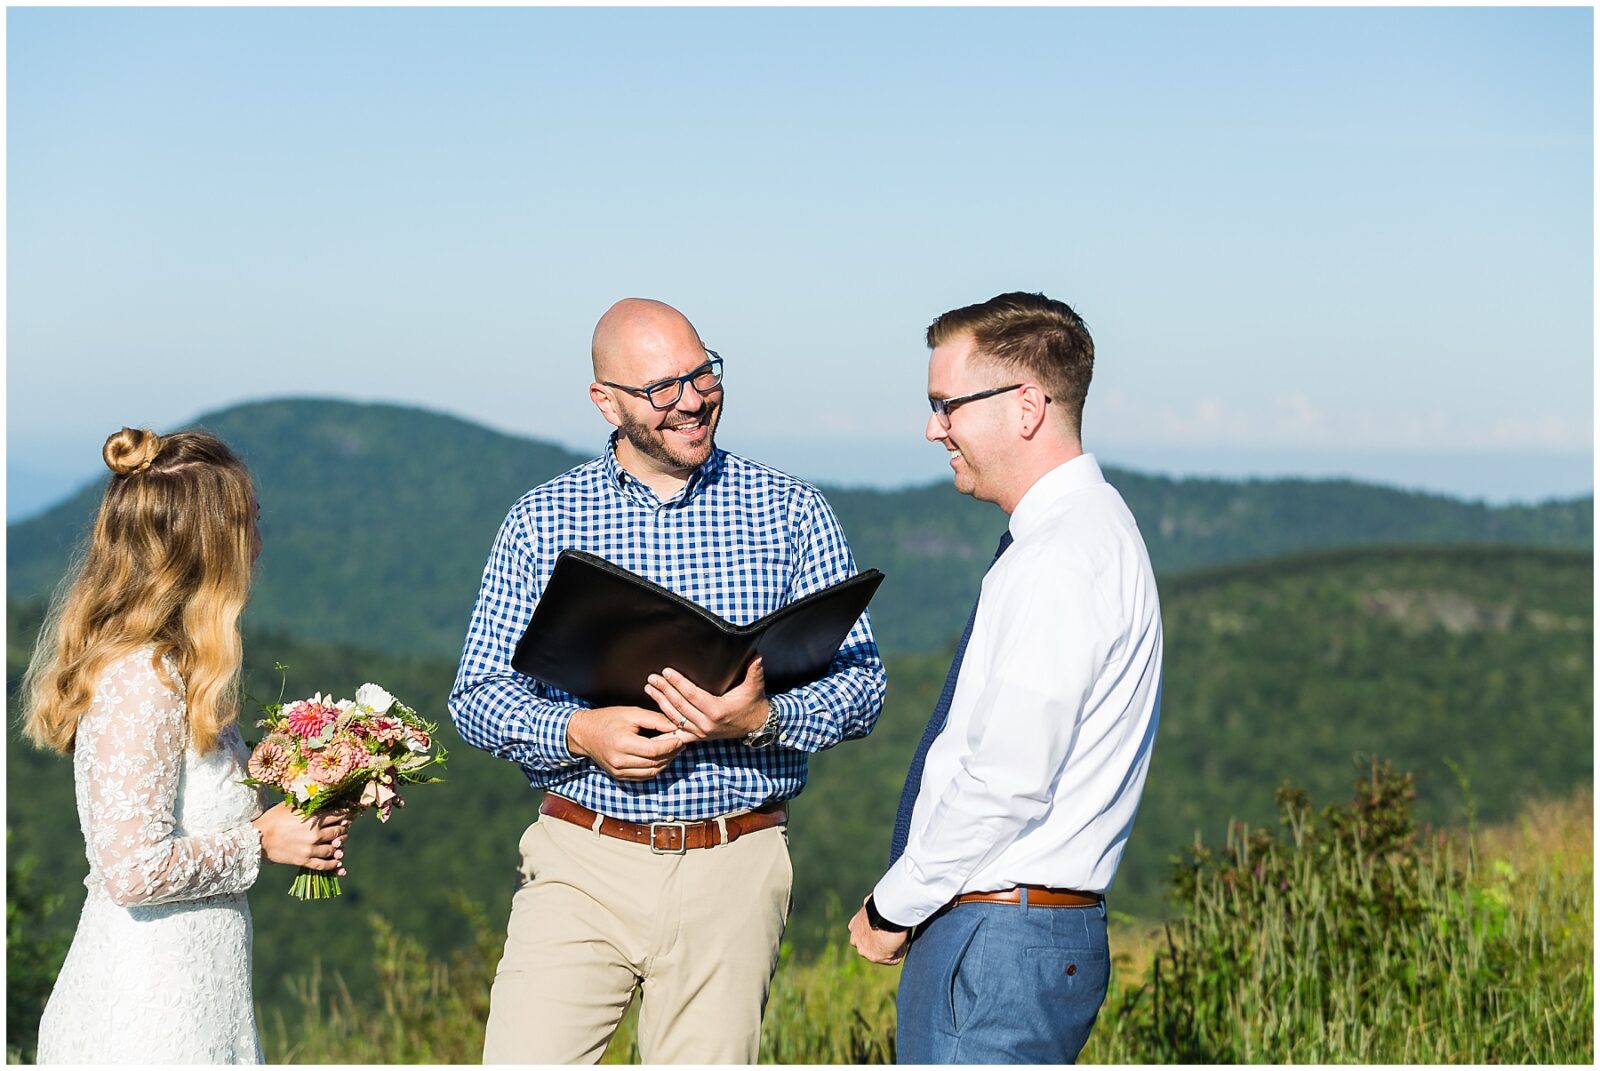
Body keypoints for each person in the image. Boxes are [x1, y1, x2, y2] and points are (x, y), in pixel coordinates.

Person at [450, 297, 888, 1064]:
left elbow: (863, 685)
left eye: (702, 373)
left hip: (736, 862)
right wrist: (579, 731)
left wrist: (761, 718)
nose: (691, 400)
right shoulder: (542, 520)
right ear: (606, 402)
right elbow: (477, 694)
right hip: (579, 857)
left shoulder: (791, 511)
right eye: (661, 388)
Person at [847, 292, 1164, 1064]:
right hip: (1020, 932)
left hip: (996, 934)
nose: (934, 428)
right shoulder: (1090, 531)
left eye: (947, 404)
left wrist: (895, 902)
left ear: (1026, 406)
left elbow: (1008, 778)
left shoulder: (1059, 557)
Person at [23, 427, 351, 1065]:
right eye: (249, 523)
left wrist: (289, 769)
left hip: (200, 997)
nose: (259, 542)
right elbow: (131, 870)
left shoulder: (181, 668)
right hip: (146, 1011)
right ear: (209, 547)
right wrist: (264, 840)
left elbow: (188, 797)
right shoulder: (139, 679)